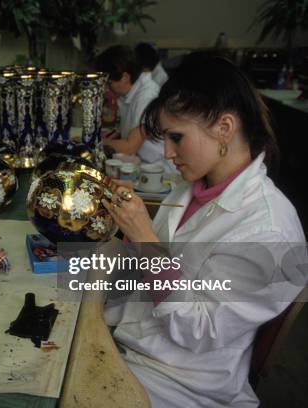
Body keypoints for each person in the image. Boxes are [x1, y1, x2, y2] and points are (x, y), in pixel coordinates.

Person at [100, 55, 306, 407]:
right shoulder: (191, 185)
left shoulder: (269, 232)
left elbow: (199, 330)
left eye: (177, 138)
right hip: (132, 335)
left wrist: (145, 240)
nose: (167, 154)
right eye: (165, 139)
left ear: (224, 127)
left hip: (179, 377)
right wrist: (124, 232)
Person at [95, 45, 172, 172]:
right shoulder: (128, 94)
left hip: (158, 171)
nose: (106, 88)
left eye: (109, 83)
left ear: (125, 77)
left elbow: (130, 147)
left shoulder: (147, 96)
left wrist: (94, 142)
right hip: (140, 165)